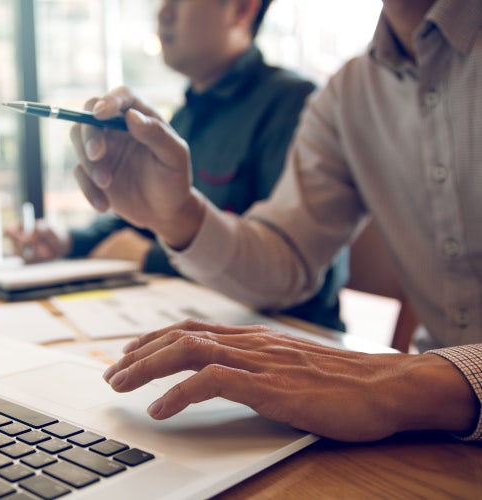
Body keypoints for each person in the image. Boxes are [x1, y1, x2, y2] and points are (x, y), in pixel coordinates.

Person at [69, 0, 482, 442]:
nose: (162, 11)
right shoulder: (349, 93)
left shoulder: (293, 96)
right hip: (443, 438)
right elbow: (285, 260)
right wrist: (179, 216)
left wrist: (412, 382)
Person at [7, 0, 348, 331]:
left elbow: (296, 273)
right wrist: (66, 241)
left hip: (290, 340)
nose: (163, 11)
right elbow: (145, 222)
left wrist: (149, 257)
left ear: (242, 8)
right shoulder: (188, 114)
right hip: (199, 322)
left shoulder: (294, 107)